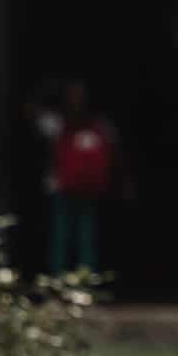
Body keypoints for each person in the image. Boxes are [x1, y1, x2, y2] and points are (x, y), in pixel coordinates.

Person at [37, 78, 118, 276]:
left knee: (86, 237)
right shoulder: (55, 121)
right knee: (61, 236)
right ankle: (58, 282)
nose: (77, 100)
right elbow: (30, 111)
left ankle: (85, 282)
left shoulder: (99, 123)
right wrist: (47, 89)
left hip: (88, 187)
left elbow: (115, 151)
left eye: (80, 95)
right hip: (61, 186)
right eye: (73, 95)